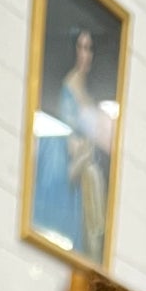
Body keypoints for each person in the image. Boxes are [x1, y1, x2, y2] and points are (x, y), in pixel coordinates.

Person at [33, 26, 113, 261]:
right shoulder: (68, 87)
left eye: (89, 48)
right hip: (63, 163)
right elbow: (71, 136)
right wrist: (83, 151)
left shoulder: (87, 91)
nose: (85, 54)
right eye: (81, 47)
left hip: (83, 168)